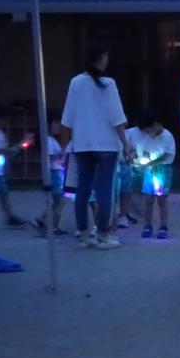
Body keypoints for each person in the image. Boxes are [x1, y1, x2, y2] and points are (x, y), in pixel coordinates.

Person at [61, 44, 129, 250]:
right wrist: (125, 145)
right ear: (101, 58)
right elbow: (117, 118)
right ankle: (103, 234)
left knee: (82, 188)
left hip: (82, 144)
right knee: (104, 189)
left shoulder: (76, 82)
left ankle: (83, 234)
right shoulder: (109, 84)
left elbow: (67, 119)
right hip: (106, 144)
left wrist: (66, 145)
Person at [137, 110, 176, 240]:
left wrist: (149, 163)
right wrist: (145, 160)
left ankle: (163, 226)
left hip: (163, 170)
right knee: (148, 199)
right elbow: (146, 151)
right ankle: (147, 225)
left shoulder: (167, 136)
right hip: (150, 170)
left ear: (156, 124)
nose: (147, 132)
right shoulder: (148, 137)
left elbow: (165, 155)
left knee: (161, 199)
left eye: (148, 129)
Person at [31, 111, 68, 236]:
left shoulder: (51, 140)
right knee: (59, 201)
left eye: (59, 123)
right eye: (56, 123)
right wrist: (63, 152)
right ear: (48, 125)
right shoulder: (48, 140)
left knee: (56, 201)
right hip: (55, 172)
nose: (58, 126)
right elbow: (51, 157)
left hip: (56, 172)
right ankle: (53, 226)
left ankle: (42, 221)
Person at [117, 122, 142, 229]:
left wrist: (131, 155)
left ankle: (124, 215)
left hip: (124, 165)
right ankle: (111, 215)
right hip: (113, 165)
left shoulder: (127, 136)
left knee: (125, 192)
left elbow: (133, 151)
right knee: (113, 192)